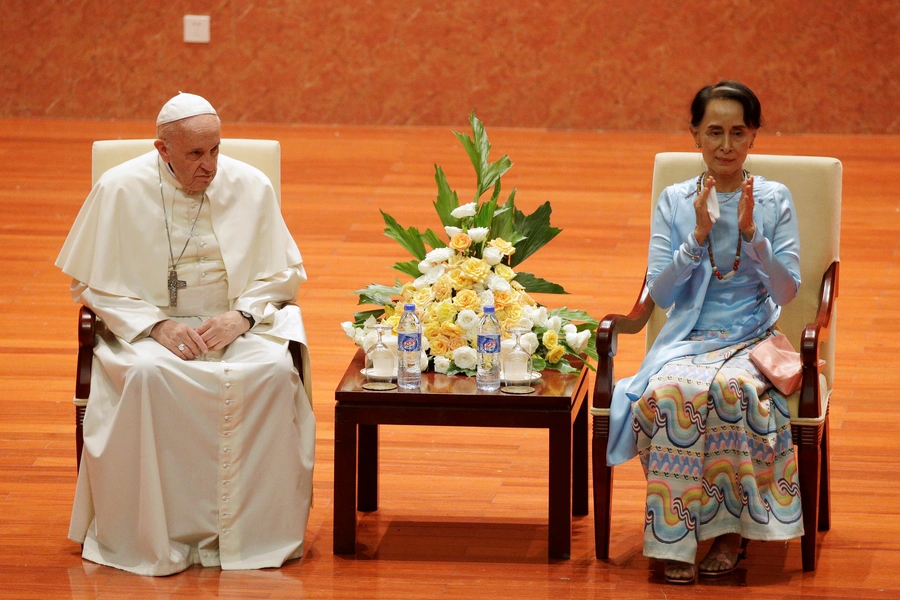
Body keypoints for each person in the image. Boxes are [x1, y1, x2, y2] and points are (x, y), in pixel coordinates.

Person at [56, 93, 315, 576]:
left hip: (234, 321)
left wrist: (242, 316)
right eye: (196, 154)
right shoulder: (119, 189)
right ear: (162, 149)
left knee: (273, 373)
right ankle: (163, 534)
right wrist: (156, 324)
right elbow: (90, 284)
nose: (210, 165)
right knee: (150, 376)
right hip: (148, 325)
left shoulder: (250, 184)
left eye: (215, 149)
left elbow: (283, 274)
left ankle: (249, 535)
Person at [605, 81, 803, 584]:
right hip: (689, 338)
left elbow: (786, 293)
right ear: (694, 134)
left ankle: (732, 533)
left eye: (738, 132)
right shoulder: (676, 200)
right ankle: (677, 533)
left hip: (753, 336)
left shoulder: (775, 198)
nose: (726, 145)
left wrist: (754, 236)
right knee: (669, 393)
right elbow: (663, 294)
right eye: (714, 131)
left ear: (754, 136)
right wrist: (695, 238)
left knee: (729, 391)